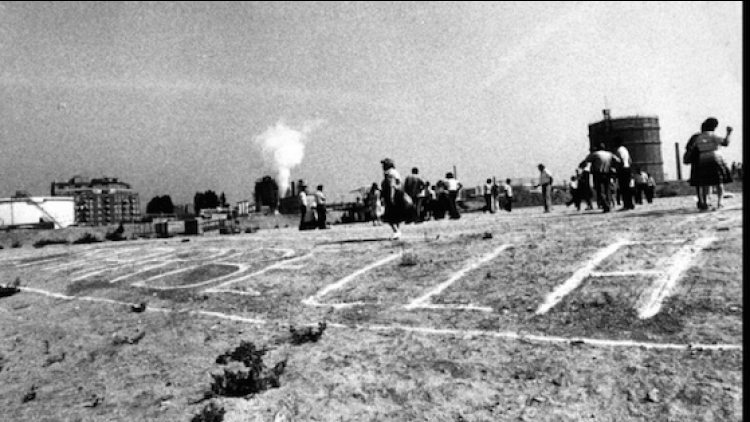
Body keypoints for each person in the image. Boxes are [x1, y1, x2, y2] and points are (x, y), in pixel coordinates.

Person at [684, 117, 733, 210]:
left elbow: (692, 148)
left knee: (706, 183)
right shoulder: (713, 135)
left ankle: (705, 202)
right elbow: (725, 143)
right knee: (719, 182)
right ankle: (720, 202)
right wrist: (728, 133)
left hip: (702, 160)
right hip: (715, 158)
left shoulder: (697, 137)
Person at [580, 143, 621, 213]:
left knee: (599, 190)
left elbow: (586, 161)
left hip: (598, 174)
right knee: (607, 189)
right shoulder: (609, 154)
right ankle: (608, 204)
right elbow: (618, 160)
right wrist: (613, 166)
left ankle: (605, 205)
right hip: (608, 173)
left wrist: (581, 166)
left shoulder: (595, 154)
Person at [381, 158, 411, 239]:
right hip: (399, 194)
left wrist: (391, 196)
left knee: (389, 215)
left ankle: (396, 231)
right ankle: (397, 231)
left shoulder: (389, 173)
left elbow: (391, 185)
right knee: (396, 215)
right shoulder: (395, 172)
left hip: (393, 195)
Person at [615, 137, 635, 210]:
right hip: (628, 168)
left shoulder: (619, 150)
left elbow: (621, 161)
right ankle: (630, 204)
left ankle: (626, 205)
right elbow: (630, 160)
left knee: (623, 188)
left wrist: (619, 170)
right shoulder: (625, 149)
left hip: (623, 169)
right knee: (628, 187)